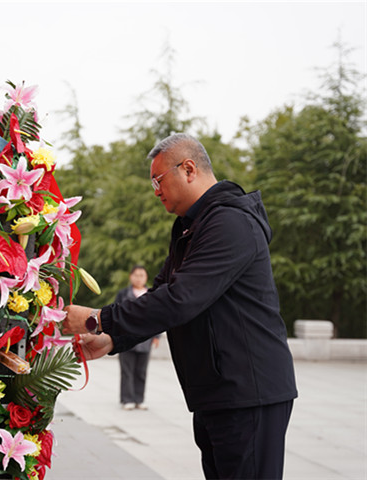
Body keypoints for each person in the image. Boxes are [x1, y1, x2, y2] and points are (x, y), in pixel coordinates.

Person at [63, 133, 297, 480]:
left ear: (188, 169)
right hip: (218, 391)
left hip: (248, 391)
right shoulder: (192, 227)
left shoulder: (230, 222)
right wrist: (113, 339)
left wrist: (99, 319)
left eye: (158, 180)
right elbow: (161, 292)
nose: (155, 190)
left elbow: (181, 299)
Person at [115, 265, 159, 411]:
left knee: (141, 371)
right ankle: (127, 399)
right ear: (131, 277)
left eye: (142, 275)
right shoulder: (123, 294)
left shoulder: (152, 294)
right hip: (126, 337)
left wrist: (156, 336)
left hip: (145, 339)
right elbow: (116, 313)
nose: (139, 278)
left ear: (146, 278)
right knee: (126, 370)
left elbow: (158, 317)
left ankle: (139, 399)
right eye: (136, 275)